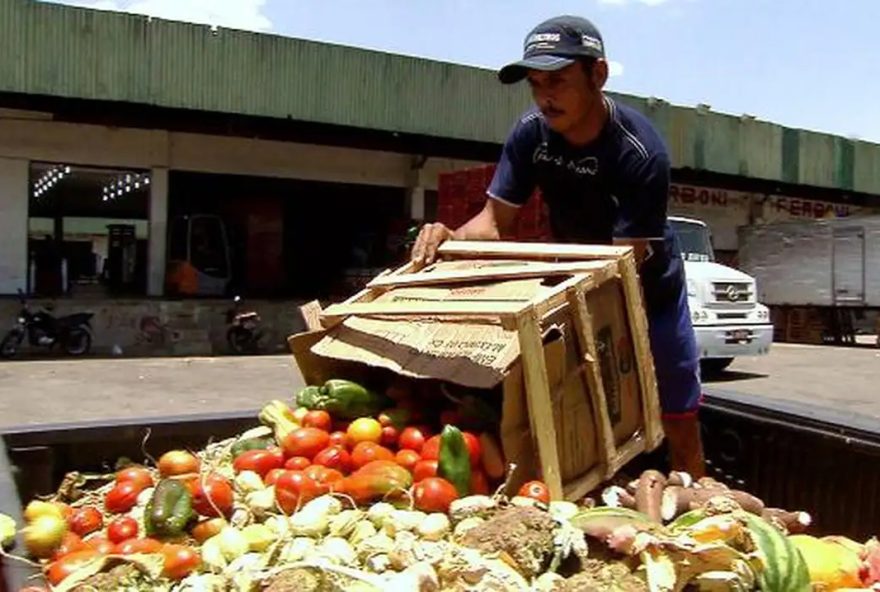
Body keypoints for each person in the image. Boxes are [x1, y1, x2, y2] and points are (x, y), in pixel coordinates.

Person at [411, 15, 706, 477]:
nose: (545, 97)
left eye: (558, 81)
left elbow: (628, 258)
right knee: (575, 408)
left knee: (676, 409)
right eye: (535, 84)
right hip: (573, 279)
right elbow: (492, 222)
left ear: (598, 75)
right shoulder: (531, 133)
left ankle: (700, 496)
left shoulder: (641, 151)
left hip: (647, 288)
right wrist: (450, 238)